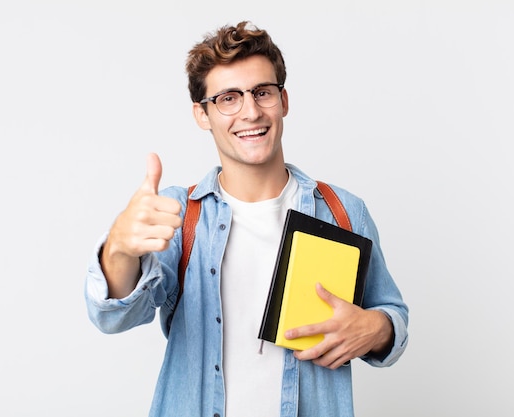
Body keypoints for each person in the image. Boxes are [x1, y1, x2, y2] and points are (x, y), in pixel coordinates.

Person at [85, 21, 409, 417]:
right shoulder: (179, 215)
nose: (251, 111)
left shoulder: (342, 211)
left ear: (283, 100)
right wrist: (119, 248)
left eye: (262, 92)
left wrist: (378, 328)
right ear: (202, 115)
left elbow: (391, 316)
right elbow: (114, 316)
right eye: (228, 98)